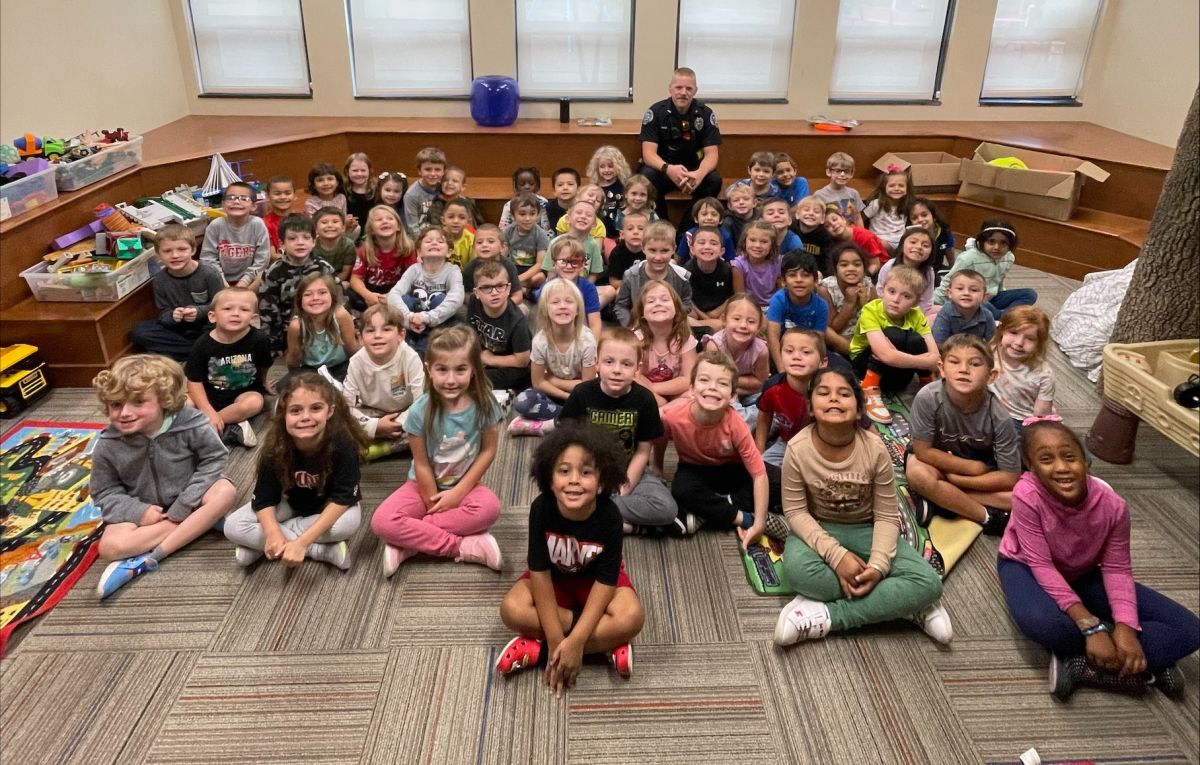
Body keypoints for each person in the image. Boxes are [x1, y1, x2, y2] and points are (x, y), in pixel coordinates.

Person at [997, 417, 1200, 700]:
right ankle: (1142, 665)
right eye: (1046, 459)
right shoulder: (1026, 494)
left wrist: (1126, 629)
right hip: (1024, 565)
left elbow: (1117, 569)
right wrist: (1091, 627)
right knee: (1045, 624)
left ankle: (1084, 664)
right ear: (1030, 468)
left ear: (1085, 461)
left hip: (1081, 571)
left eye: (1070, 457)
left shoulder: (1114, 507)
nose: (1061, 467)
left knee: (1189, 629)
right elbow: (1041, 564)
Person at [773, 368, 951, 646]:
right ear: (809, 407)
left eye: (844, 394)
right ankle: (897, 603)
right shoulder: (797, 449)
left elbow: (887, 514)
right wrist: (837, 557)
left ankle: (830, 615)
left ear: (858, 410)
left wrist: (878, 566)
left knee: (929, 584)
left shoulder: (875, 448)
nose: (834, 398)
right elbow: (796, 513)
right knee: (798, 573)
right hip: (819, 528)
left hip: (867, 528)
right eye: (823, 393)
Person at [496, 422, 644, 685]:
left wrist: (575, 640)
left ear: (601, 483)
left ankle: (540, 651)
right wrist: (555, 638)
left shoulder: (610, 516)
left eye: (586, 472)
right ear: (550, 480)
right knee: (512, 609)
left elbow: (606, 580)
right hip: (554, 581)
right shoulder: (541, 509)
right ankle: (606, 643)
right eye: (564, 471)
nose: (574, 479)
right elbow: (539, 573)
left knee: (632, 617)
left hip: (595, 584)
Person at [91, 355, 237, 599]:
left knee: (226, 492)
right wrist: (139, 511)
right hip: (146, 510)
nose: (124, 413)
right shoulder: (109, 443)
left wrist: (186, 502)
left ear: (163, 400)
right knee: (109, 547)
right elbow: (104, 491)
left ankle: (150, 557)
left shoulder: (191, 422)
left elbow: (214, 458)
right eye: (116, 404)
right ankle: (199, 523)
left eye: (138, 402)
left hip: (192, 494)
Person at [370, 325, 505, 576]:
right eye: (442, 369)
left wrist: (456, 495)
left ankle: (410, 542)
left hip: (465, 486)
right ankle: (463, 546)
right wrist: (434, 502)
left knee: (490, 509)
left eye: (460, 369)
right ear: (429, 369)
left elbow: (488, 451)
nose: (451, 380)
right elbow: (421, 463)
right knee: (381, 521)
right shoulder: (419, 411)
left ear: (474, 370)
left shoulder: (485, 404)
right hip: (422, 486)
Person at [224, 373, 368, 570]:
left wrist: (301, 542)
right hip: (290, 503)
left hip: (328, 505)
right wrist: (272, 533)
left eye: (316, 408)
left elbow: (342, 500)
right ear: (283, 414)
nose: (305, 417)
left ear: (330, 411)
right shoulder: (276, 447)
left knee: (346, 525)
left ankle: (263, 546)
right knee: (233, 525)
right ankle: (320, 551)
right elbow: (264, 500)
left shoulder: (343, 444)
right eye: (295, 410)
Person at [561, 328, 679, 532]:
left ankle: (596, 516)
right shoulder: (581, 394)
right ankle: (630, 526)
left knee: (667, 509)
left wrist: (625, 487)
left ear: (637, 368)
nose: (617, 370)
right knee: (557, 497)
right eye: (609, 362)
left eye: (626, 364)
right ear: (597, 363)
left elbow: (643, 452)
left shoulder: (645, 399)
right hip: (587, 470)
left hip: (630, 470)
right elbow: (566, 444)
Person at [905, 334, 1021, 535]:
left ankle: (941, 499)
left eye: (975, 364)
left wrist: (960, 481)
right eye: (954, 362)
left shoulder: (1000, 416)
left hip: (978, 471)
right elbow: (923, 451)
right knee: (917, 473)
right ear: (941, 369)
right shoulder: (927, 397)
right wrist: (971, 467)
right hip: (938, 463)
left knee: (1020, 495)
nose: (964, 369)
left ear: (991, 375)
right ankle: (987, 516)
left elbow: (1010, 477)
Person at [661, 352, 776, 538]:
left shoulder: (736, 424)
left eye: (722, 383)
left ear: (732, 396)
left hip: (731, 469)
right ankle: (743, 517)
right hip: (694, 468)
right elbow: (659, 436)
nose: (712, 387)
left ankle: (705, 512)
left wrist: (761, 523)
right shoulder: (673, 415)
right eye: (704, 380)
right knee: (681, 490)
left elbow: (759, 474)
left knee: (775, 483)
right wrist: (657, 466)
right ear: (691, 389)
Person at [185, 286, 271, 449]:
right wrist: (207, 410)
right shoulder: (202, 344)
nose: (236, 313)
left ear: (253, 318)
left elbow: (264, 365)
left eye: (244, 309)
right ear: (212, 316)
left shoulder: (260, 339)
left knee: (254, 402)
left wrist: (265, 382)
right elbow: (194, 381)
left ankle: (207, 427)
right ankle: (231, 425)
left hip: (243, 393)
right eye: (227, 308)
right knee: (182, 403)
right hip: (209, 395)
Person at [638, 67, 722, 229]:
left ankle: (686, 230)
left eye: (688, 88)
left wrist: (699, 174)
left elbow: (712, 154)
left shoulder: (705, 114)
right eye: (678, 87)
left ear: (695, 90)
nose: (683, 92)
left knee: (714, 181)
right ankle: (663, 227)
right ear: (670, 88)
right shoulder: (656, 112)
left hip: (693, 172)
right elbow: (648, 154)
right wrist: (668, 169)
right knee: (646, 178)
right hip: (664, 169)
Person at [510, 278, 596, 436]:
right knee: (522, 402)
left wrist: (551, 379)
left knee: (600, 409)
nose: (562, 306)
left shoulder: (587, 340)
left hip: (583, 396)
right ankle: (569, 419)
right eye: (555, 302)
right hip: (555, 394)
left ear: (578, 309)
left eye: (569, 301)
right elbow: (538, 383)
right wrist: (566, 397)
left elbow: (587, 386)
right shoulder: (540, 341)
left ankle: (550, 424)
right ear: (545, 310)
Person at [849, 265, 940, 413]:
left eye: (906, 296)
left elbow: (935, 358)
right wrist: (924, 361)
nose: (896, 300)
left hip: (897, 370)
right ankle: (869, 387)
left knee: (916, 340)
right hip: (864, 367)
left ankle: (926, 384)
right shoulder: (870, 310)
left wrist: (897, 356)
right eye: (891, 291)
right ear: (882, 290)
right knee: (893, 334)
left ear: (916, 302)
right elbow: (885, 355)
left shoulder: (916, 315)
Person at [342, 303, 425, 462]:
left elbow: (420, 402)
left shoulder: (410, 358)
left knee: (429, 421)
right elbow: (346, 405)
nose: (377, 335)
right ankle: (378, 438)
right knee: (337, 421)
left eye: (386, 329)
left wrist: (396, 423)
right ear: (361, 338)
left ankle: (383, 448)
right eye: (370, 330)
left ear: (401, 335)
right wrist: (375, 426)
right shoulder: (356, 362)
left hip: (405, 412)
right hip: (372, 412)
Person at [131, 224, 226, 362]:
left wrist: (199, 311)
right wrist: (173, 316)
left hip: (207, 326)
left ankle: (189, 352)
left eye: (182, 249)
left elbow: (222, 306)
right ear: (158, 255)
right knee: (140, 331)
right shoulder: (160, 280)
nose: (175, 255)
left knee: (228, 328)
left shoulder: (209, 273)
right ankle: (201, 351)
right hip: (179, 329)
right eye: (167, 251)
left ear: (193, 250)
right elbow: (163, 314)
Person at [258, 214, 336, 354]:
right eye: (292, 238)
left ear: (314, 241)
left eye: (306, 237)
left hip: (323, 328)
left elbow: (339, 301)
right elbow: (269, 311)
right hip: (290, 331)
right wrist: (275, 345)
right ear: (282, 243)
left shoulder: (324, 268)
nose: (300, 243)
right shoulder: (273, 272)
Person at [934, 219, 1037, 320]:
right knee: (980, 303)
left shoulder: (1009, 257)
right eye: (991, 242)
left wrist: (1003, 295)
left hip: (992, 298)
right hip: (972, 299)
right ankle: (1002, 318)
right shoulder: (968, 258)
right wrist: (935, 302)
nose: (997, 247)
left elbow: (999, 280)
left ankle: (1000, 316)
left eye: (1003, 243)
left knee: (1030, 294)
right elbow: (949, 281)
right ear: (982, 241)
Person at [755, 328, 826, 468]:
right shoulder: (773, 387)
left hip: (823, 446)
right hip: (787, 442)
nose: (796, 357)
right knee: (763, 469)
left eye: (806, 352)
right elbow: (764, 416)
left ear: (822, 362)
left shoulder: (829, 389)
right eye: (789, 351)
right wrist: (759, 450)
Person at [388, 226, 465, 355]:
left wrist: (427, 318)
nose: (434, 243)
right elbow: (393, 294)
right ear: (419, 252)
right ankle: (408, 342)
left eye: (440, 241)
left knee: (441, 299)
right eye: (428, 241)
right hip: (411, 321)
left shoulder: (453, 271)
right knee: (404, 299)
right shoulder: (414, 269)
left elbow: (456, 298)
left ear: (449, 252)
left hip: (436, 323)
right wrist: (409, 317)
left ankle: (425, 347)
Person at [631, 281, 698, 408]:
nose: (658, 303)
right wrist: (660, 401)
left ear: (677, 309)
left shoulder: (685, 339)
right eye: (651, 301)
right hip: (644, 393)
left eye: (665, 299)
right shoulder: (636, 339)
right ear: (642, 313)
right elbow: (634, 376)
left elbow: (688, 379)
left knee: (692, 397)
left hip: (674, 393)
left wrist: (653, 387)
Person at [467, 260, 532, 391]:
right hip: (484, 356)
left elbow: (523, 361)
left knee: (473, 379)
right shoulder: (474, 302)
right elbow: (471, 334)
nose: (494, 292)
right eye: (486, 287)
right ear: (477, 293)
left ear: (508, 289)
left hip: (513, 366)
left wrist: (490, 360)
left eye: (500, 286)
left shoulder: (517, 321)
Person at [614, 220, 693, 326]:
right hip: (639, 327)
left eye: (664, 251)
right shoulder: (631, 275)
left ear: (674, 249)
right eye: (652, 250)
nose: (658, 257)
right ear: (643, 248)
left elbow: (687, 303)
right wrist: (630, 326)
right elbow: (621, 306)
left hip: (671, 326)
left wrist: (672, 318)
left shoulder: (682, 276)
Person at [990, 306, 1056, 431]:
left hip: (1020, 419)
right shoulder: (991, 351)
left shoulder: (1043, 374)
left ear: (1038, 344)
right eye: (1013, 333)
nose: (1019, 343)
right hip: (988, 410)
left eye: (1030, 338)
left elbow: (1041, 414)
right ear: (1002, 331)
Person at [283, 273, 359, 383]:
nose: (315, 298)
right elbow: (293, 359)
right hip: (311, 370)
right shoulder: (296, 326)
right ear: (300, 300)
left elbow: (352, 349)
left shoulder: (340, 315)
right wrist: (293, 379)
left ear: (332, 296)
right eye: (308, 294)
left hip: (340, 366)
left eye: (322, 293)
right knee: (286, 385)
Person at [199, 181, 271, 289]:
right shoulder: (215, 226)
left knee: (262, 276)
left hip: (249, 281)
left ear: (253, 206)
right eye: (230, 198)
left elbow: (262, 260)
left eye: (244, 198)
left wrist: (243, 283)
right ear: (223, 204)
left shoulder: (257, 224)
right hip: (220, 281)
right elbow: (208, 259)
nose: (236, 202)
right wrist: (224, 285)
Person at [767, 251, 828, 372]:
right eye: (792, 275)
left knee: (840, 365)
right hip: (783, 350)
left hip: (807, 351)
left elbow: (817, 341)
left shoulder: (821, 306)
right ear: (783, 281)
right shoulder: (779, 300)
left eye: (805, 275)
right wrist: (782, 371)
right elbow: (773, 338)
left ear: (815, 279)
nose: (799, 280)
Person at [703, 294, 769, 402]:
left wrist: (728, 380)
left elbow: (760, 381)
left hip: (751, 391)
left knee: (765, 402)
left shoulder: (761, 350)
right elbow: (712, 378)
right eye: (736, 319)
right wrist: (728, 387)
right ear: (724, 319)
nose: (743, 325)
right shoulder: (714, 346)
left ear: (759, 325)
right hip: (720, 389)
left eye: (751, 321)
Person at [535, 237, 603, 340]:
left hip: (580, 335)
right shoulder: (547, 288)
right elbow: (543, 322)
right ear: (553, 264)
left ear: (583, 265)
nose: (569, 266)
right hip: (553, 334)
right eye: (562, 261)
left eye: (575, 262)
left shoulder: (588, 288)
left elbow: (595, 323)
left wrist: (594, 346)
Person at [349, 205, 416, 308]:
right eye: (379, 220)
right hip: (371, 289)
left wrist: (392, 295)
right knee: (350, 294)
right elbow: (355, 279)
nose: (385, 221)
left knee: (412, 296)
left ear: (398, 226)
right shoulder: (365, 250)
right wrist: (368, 295)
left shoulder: (408, 249)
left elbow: (412, 279)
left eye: (390, 218)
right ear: (371, 230)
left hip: (397, 288)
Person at [817, 243, 876, 358]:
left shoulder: (868, 285)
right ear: (835, 269)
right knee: (825, 330)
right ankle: (852, 352)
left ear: (864, 268)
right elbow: (834, 328)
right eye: (844, 265)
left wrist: (864, 305)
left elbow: (876, 320)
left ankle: (860, 352)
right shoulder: (826, 289)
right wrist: (849, 303)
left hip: (863, 336)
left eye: (857, 264)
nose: (851, 269)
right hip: (840, 339)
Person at [875, 226, 939, 320]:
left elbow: (927, 301)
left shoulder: (928, 272)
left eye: (925, 245)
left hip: (913, 312)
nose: (918, 247)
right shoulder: (890, 266)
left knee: (941, 311)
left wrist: (914, 319)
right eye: (913, 242)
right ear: (902, 245)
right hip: (889, 308)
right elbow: (880, 291)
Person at [684, 226, 734, 336]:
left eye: (713, 243)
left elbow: (730, 296)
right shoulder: (686, 271)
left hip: (719, 313)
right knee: (687, 316)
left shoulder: (727, 270)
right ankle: (708, 328)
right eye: (701, 243)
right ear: (692, 249)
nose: (707, 247)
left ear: (722, 251)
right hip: (697, 314)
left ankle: (709, 328)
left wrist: (717, 312)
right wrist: (705, 318)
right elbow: (688, 300)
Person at [463, 224, 524, 306]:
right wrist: (482, 306)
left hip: (506, 305)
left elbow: (518, 296)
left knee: (523, 309)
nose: (484, 245)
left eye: (491, 241)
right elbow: (465, 295)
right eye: (479, 242)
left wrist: (501, 307)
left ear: (502, 247)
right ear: (473, 248)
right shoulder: (470, 267)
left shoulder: (509, 266)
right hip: (479, 307)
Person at [931, 269, 994, 348]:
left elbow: (993, 343)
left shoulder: (987, 315)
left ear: (984, 296)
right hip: (948, 351)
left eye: (974, 290)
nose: (966, 293)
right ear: (950, 293)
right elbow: (938, 342)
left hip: (975, 351)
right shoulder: (946, 312)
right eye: (960, 289)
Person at [502, 193, 552, 290]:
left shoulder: (540, 234)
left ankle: (518, 287)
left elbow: (539, 264)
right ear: (513, 216)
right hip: (513, 268)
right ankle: (522, 289)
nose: (528, 218)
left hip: (532, 270)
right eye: (522, 214)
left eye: (532, 214)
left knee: (540, 277)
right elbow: (502, 256)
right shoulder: (508, 231)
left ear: (538, 215)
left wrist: (518, 279)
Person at [731, 220, 782, 309]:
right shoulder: (738, 265)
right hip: (748, 307)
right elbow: (740, 298)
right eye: (752, 240)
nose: (757, 245)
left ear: (772, 245)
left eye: (764, 241)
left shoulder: (778, 263)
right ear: (745, 241)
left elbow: (781, 294)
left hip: (773, 306)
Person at [601, 211, 647, 308]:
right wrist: (635, 284)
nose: (635, 232)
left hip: (648, 285)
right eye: (630, 228)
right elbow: (613, 281)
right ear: (622, 234)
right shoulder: (617, 253)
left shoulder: (650, 250)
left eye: (641, 229)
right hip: (626, 285)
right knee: (619, 292)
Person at [822, 208, 887, 278]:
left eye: (835, 219)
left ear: (843, 219)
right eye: (827, 226)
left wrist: (861, 278)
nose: (833, 224)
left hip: (878, 271)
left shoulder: (864, 236)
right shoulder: (831, 243)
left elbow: (875, 265)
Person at [862, 167, 914, 252]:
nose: (896, 188)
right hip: (880, 240)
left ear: (907, 189)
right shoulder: (877, 204)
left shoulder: (907, 204)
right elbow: (861, 218)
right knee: (883, 244)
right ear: (884, 187)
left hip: (900, 241)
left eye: (901, 186)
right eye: (891, 186)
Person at [402, 146, 447, 236]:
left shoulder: (445, 189)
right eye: (428, 169)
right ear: (419, 171)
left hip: (443, 236)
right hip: (422, 238)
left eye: (437, 169)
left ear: (443, 171)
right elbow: (413, 227)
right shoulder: (411, 195)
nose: (433, 174)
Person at [675, 197, 734, 262]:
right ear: (696, 219)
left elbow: (730, 260)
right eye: (704, 214)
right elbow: (679, 257)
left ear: (721, 220)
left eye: (714, 215)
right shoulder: (689, 235)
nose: (709, 218)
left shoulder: (726, 236)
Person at [814, 152, 864, 225]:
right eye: (838, 171)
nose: (842, 174)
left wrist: (862, 232)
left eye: (847, 171)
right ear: (828, 172)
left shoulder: (854, 193)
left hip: (851, 230)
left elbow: (857, 218)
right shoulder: (819, 195)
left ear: (852, 173)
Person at [907, 197, 955, 274]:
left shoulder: (945, 232)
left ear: (934, 216)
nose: (920, 220)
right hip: (915, 271)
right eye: (915, 218)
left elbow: (951, 256)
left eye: (924, 215)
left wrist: (953, 271)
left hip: (936, 270)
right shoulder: (909, 236)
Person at [312, 206, 357, 286]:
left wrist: (330, 285)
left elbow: (345, 273)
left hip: (338, 281)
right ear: (315, 228)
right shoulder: (311, 245)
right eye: (324, 222)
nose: (330, 225)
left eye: (335, 222)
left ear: (343, 227)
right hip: (315, 282)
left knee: (346, 285)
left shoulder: (348, 245)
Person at [586, 145, 632, 221]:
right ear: (596, 168)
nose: (606, 170)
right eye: (602, 167)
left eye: (610, 166)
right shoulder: (594, 188)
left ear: (619, 166)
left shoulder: (624, 186)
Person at [499, 166, 551, 231]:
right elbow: (503, 228)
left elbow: (546, 227)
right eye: (522, 184)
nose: (527, 187)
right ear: (516, 187)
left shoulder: (543, 203)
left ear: (537, 185)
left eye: (531, 184)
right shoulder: (509, 205)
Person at [791, 195, 834, 271]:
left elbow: (828, 262)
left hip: (815, 272)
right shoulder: (790, 230)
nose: (811, 213)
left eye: (816, 211)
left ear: (822, 219)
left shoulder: (825, 237)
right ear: (797, 214)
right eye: (806, 210)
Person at [342, 152, 375, 234]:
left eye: (363, 170)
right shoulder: (342, 190)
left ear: (369, 171)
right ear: (347, 171)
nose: (359, 174)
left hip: (374, 233)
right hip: (351, 233)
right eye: (355, 171)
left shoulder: (377, 189)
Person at [262, 174, 296, 252]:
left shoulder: (302, 220)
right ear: (267, 196)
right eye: (277, 194)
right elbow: (272, 255)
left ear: (294, 195)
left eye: (287, 193)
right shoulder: (264, 224)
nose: (283, 197)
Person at [544, 167, 580, 234]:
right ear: (554, 191)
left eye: (570, 184)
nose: (565, 188)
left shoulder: (583, 207)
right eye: (560, 185)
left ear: (578, 189)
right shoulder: (549, 207)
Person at [723, 185, 756, 249]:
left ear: (754, 203)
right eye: (736, 200)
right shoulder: (727, 223)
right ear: (729, 206)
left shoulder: (762, 218)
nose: (741, 202)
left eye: (746, 199)